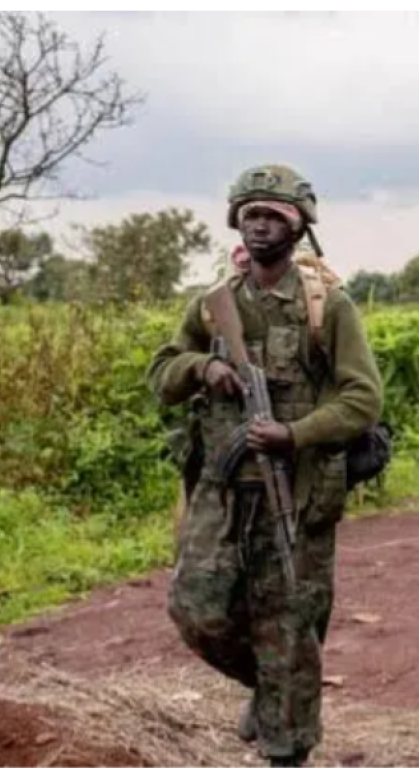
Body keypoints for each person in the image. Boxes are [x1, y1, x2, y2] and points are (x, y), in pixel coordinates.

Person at [147, 164, 383, 766]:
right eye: (250, 213)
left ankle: (287, 745)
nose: (259, 223)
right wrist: (204, 368)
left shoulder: (328, 308)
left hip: (298, 492)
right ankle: (272, 688)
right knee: (194, 607)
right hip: (223, 487)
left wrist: (294, 433)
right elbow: (162, 375)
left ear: (299, 226)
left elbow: (362, 399)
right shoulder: (212, 306)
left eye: (273, 215)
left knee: (290, 623)